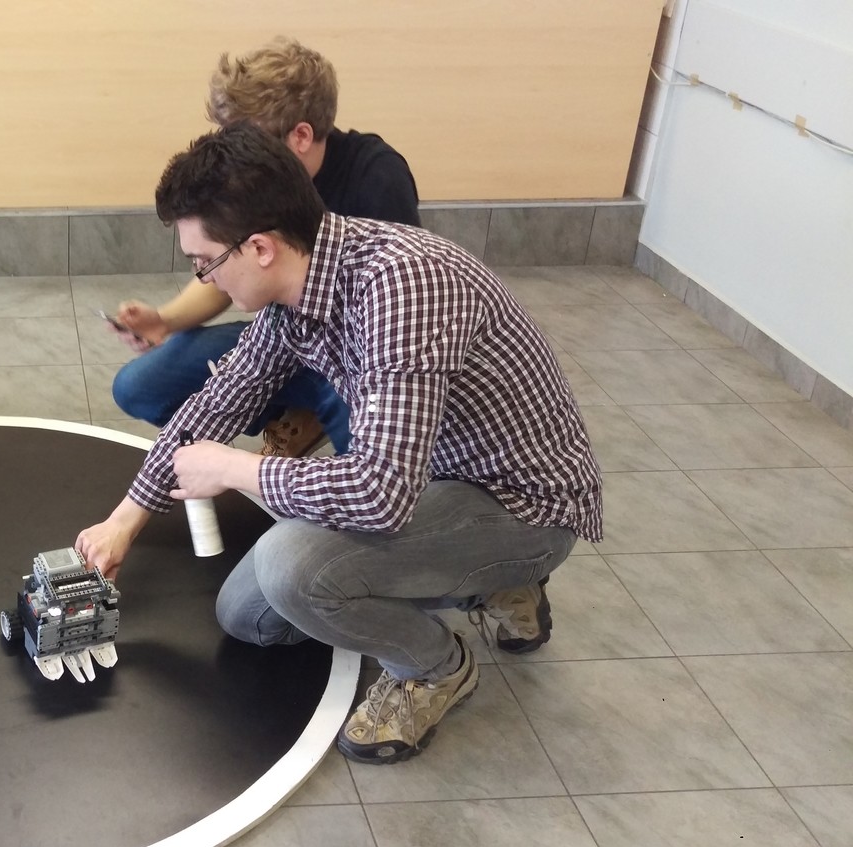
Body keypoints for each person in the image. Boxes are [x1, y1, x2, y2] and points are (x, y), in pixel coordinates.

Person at [76, 125, 602, 764]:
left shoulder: (403, 289)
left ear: (260, 248)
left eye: (203, 262)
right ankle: (484, 586)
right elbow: (217, 404)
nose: (200, 277)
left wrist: (237, 469)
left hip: (522, 506)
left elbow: (380, 495)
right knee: (247, 616)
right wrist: (122, 522)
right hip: (430, 480)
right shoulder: (299, 284)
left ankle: (436, 665)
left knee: (291, 569)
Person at [108, 37, 421, 459]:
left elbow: (396, 323)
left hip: (356, 359)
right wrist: (165, 321)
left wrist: (237, 469)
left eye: (252, 141)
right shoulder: (249, 177)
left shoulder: (377, 178)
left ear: (301, 136)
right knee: (138, 387)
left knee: (370, 459)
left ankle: (316, 415)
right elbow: (228, 267)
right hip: (280, 339)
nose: (241, 156)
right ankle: (294, 413)